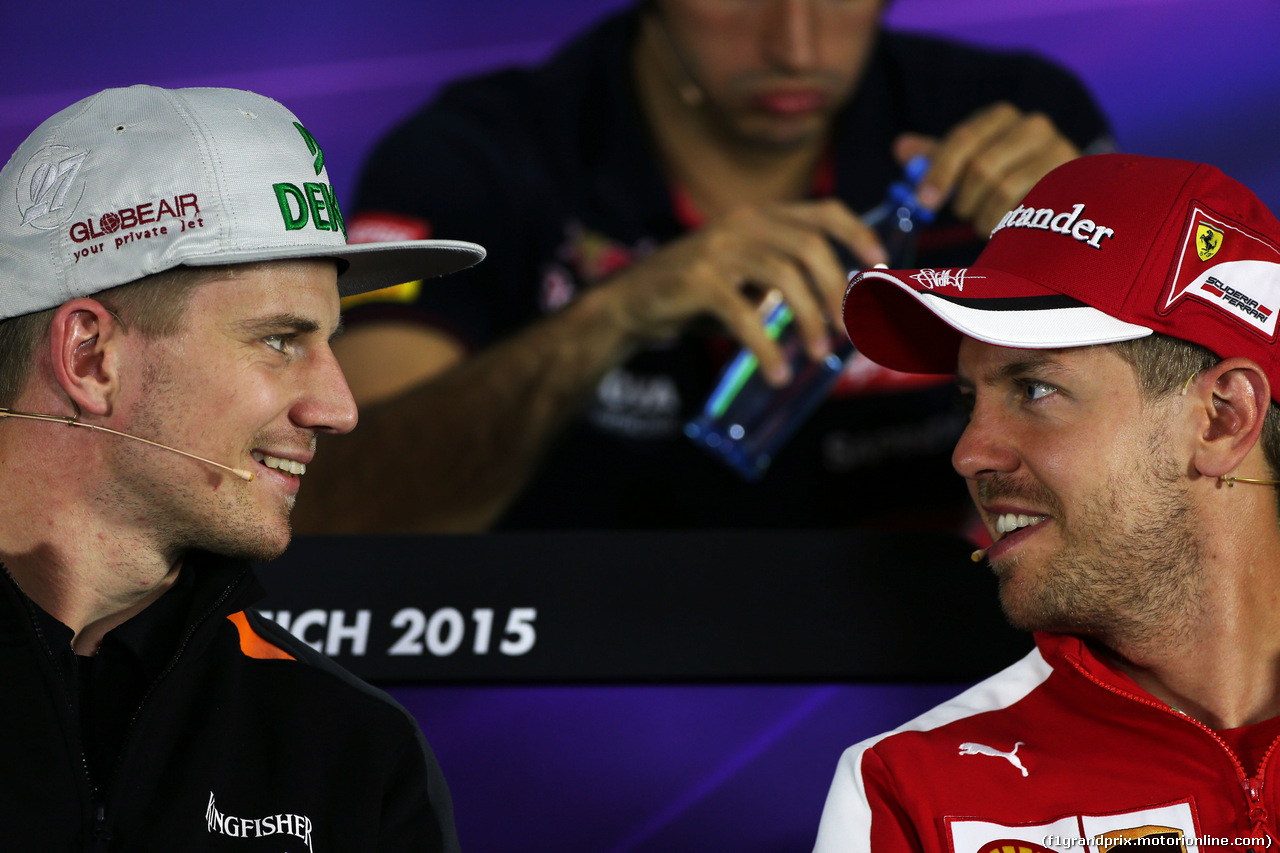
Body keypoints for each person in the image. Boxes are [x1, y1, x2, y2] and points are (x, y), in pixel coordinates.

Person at [293, 0, 1115, 533]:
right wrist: (609, 319)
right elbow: (338, 507)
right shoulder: (472, 157)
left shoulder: (1024, 123)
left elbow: (1205, 458)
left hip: (943, 665)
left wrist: (1097, 256)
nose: (795, 41)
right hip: (574, 698)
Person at [0, 85, 483, 850]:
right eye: (281, 339)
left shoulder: (354, 754)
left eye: (330, 341)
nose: (338, 406)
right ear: (91, 356)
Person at [812, 153, 1280, 851]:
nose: (970, 453)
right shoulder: (906, 789)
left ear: (1222, 419)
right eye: (969, 400)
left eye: (1033, 389)